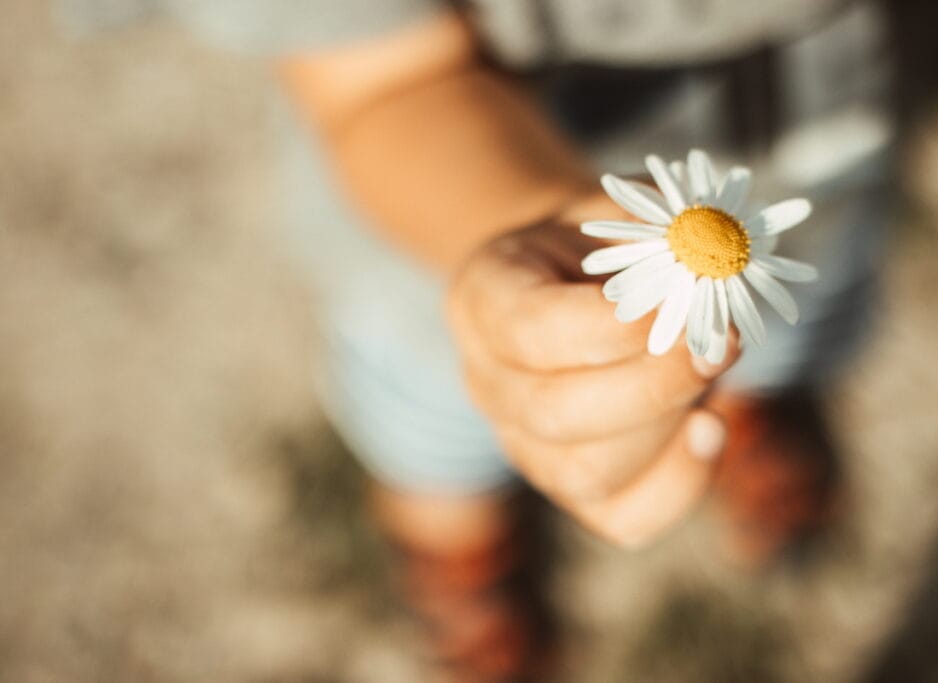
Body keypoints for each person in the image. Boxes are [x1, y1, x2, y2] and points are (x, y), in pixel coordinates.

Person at [59, 0, 895, 678]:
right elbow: (382, 84)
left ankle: (736, 412)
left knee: (759, 341)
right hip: (449, 241)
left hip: (812, 166)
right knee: (438, 431)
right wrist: (541, 227)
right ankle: (459, 547)